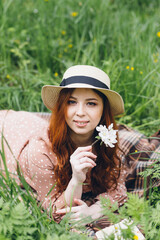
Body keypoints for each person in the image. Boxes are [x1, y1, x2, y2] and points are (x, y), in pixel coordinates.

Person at [0, 65, 127, 225]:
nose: (80, 112)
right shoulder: (40, 150)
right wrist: (76, 180)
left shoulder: (106, 139)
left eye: (91, 103)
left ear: (104, 109)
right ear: (62, 106)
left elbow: (119, 190)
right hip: (6, 136)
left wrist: (92, 211)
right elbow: (57, 213)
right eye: (71, 102)